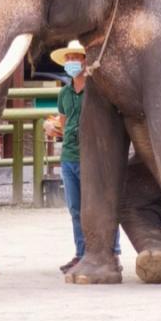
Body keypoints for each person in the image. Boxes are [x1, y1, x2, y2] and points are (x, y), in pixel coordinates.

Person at [50, 40, 89, 274]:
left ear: (86, 61)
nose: (72, 62)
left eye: (76, 57)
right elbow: (63, 125)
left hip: (90, 157)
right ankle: (81, 253)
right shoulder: (64, 93)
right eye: (69, 58)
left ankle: (108, 252)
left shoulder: (95, 91)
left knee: (96, 206)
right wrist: (53, 129)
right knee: (75, 208)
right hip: (69, 156)